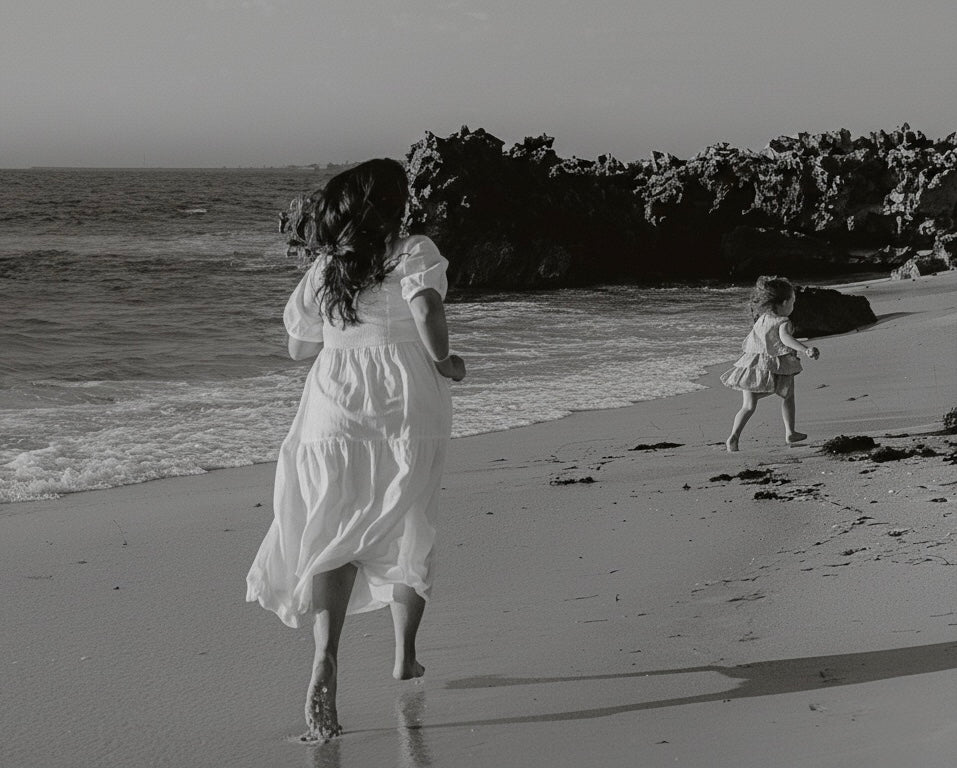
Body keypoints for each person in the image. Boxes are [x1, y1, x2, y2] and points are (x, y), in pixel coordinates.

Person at [245, 158, 466, 742]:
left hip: (334, 408)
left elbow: (298, 347)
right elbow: (426, 309)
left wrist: (344, 328)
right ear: (395, 206)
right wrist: (446, 362)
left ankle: (326, 656)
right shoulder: (414, 249)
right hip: (406, 406)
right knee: (410, 521)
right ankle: (404, 656)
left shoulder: (327, 266)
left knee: (334, 533)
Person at [720, 275, 819, 452]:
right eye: (793, 302)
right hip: (776, 366)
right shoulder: (783, 321)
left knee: (748, 406)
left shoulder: (762, 318)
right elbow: (786, 338)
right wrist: (805, 349)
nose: (793, 306)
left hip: (752, 366)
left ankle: (733, 437)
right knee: (788, 396)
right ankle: (790, 432)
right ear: (784, 303)